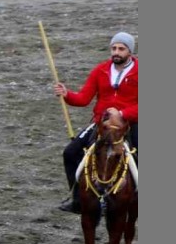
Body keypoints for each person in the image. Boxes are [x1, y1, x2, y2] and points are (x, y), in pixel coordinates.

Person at [53, 31, 139, 214]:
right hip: (102, 123)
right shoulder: (100, 70)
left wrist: (122, 113)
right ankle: (77, 199)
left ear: (130, 51)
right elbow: (84, 98)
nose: (116, 52)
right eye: (114, 48)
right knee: (70, 152)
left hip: (131, 123)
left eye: (121, 49)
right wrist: (67, 94)